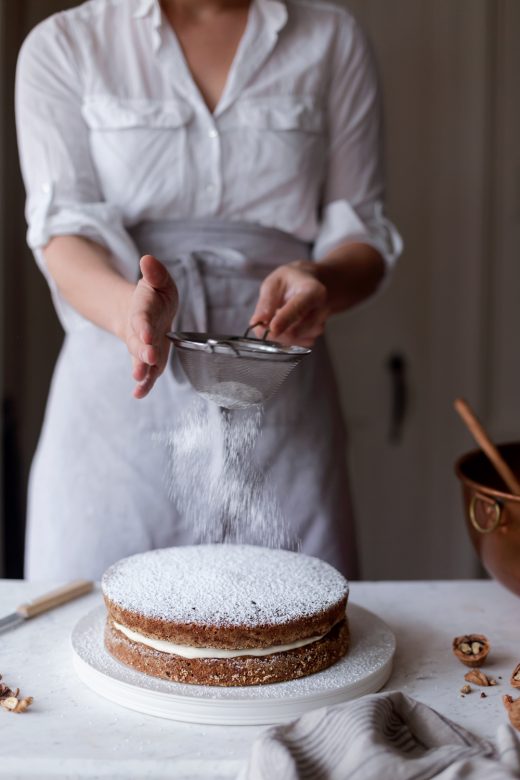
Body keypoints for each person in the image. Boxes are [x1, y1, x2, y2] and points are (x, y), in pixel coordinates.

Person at [16, 0, 401, 581]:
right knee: (95, 644)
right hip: (119, 402)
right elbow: (61, 233)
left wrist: (319, 280)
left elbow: (363, 237)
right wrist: (131, 314)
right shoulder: (65, 43)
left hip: (280, 400)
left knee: (294, 638)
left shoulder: (331, 38)